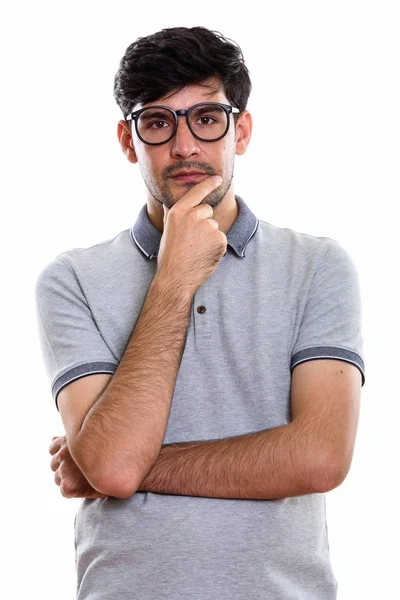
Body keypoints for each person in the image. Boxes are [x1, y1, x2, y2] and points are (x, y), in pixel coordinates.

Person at [36, 25, 366, 600]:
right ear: (126, 139)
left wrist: (122, 464)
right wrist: (174, 277)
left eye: (207, 118)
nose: (184, 145)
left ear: (241, 130)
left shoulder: (319, 265)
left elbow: (321, 458)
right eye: (158, 121)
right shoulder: (71, 280)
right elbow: (112, 468)